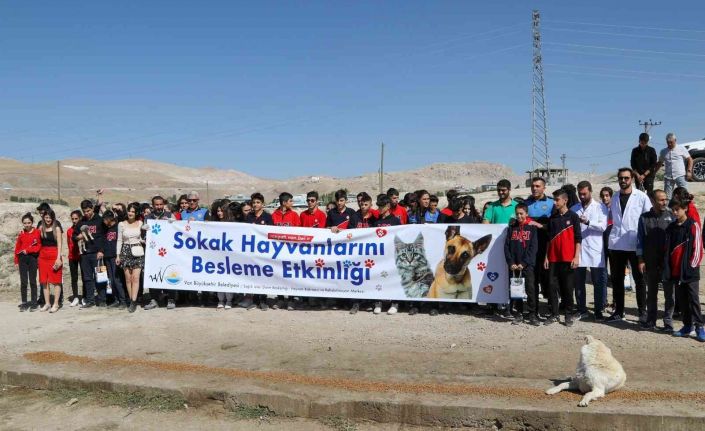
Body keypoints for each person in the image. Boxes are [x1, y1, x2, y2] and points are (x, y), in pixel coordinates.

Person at [606, 168, 652, 324]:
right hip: (617, 244)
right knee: (617, 279)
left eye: (626, 178)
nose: (623, 181)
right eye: (621, 178)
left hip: (635, 243)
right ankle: (619, 311)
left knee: (640, 280)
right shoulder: (614, 197)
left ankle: (642, 312)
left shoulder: (641, 197)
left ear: (632, 178)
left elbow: (648, 219)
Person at [665, 197, 705, 342]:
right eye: (673, 210)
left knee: (693, 299)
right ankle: (687, 326)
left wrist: (691, 267)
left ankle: (699, 327)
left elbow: (698, 248)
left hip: (689, 272)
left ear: (685, 208)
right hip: (676, 271)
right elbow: (668, 249)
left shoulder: (693, 225)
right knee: (681, 300)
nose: (675, 212)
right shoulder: (671, 228)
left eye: (677, 209)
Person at [636, 190, 675, 331]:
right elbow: (640, 240)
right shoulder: (644, 218)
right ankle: (651, 321)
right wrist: (641, 260)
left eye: (666, 199)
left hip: (667, 262)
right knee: (651, 293)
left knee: (669, 294)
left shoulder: (672, 216)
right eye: (661, 200)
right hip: (650, 261)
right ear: (653, 201)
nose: (665, 202)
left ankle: (668, 322)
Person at [571, 181, 608, 321]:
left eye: (584, 194)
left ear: (590, 192)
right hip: (578, 250)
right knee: (578, 281)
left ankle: (598, 310)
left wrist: (588, 223)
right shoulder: (574, 208)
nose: (582, 196)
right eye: (580, 194)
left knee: (598, 282)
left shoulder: (600, 207)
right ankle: (581, 309)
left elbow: (603, 226)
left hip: (595, 249)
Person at [543, 189, 581, 327]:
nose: (555, 202)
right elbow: (548, 239)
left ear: (565, 200)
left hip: (568, 259)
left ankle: (568, 315)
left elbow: (578, 238)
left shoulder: (573, 216)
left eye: (557, 199)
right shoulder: (552, 218)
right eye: (554, 200)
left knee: (568, 288)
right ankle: (554, 314)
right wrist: (546, 257)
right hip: (553, 259)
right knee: (552, 287)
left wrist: (576, 257)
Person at [504, 203, 539, 326]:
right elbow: (507, 246)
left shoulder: (532, 228)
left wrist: (524, 263)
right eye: (517, 214)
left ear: (526, 214)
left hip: (527, 265)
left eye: (521, 213)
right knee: (517, 290)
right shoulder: (512, 228)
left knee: (530, 289)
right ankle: (519, 313)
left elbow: (534, 247)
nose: (519, 216)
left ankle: (532, 314)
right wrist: (511, 262)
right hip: (515, 266)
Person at [142, 195, 177, 310]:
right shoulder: (148, 217)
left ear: (164, 204)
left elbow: (178, 231)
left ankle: (171, 299)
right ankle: (154, 299)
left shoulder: (169, 215)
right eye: (156, 205)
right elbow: (144, 235)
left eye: (161, 204)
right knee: (153, 273)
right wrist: (144, 230)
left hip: (168, 251)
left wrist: (174, 223)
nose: (159, 206)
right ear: (153, 205)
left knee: (169, 272)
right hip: (153, 252)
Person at [525, 177, 554, 310]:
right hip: (530, 246)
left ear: (544, 188)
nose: (534, 188)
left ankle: (552, 306)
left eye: (537, 186)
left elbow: (554, 225)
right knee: (532, 277)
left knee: (548, 277)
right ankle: (533, 306)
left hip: (546, 245)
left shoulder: (551, 203)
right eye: (533, 186)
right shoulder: (526, 203)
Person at [73, 199, 105, 309]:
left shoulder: (99, 220)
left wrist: (101, 250)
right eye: (84, 211)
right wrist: (78, 237)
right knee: (87, 278)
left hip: (97, 253)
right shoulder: (81, 222)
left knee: (100, 276)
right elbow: (73, 236)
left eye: (88, 211)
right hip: (85, 254)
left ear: (92, 209)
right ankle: (90, 300)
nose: (86, 213)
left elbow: (104, 236)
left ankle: (102, 299)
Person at [116, 203, 145, 313]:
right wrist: (118, 255)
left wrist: (145, 239)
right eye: (129, 211)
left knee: (136, 278)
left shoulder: (140, 223)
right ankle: (131, 299)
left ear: (136, 213)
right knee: (128, 278)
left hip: (138, 251)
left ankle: (134, 301)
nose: (130, 213)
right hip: (125, 251)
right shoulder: (121, 224)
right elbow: (119, 240)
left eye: (133, 211)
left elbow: (141, 238)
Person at [38, 209, 63, 313]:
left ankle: (56, 304)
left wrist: (58, 258)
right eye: (46, 217)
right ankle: (47, 303)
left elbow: (60, 244)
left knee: (56, 281)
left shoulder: (57, 228)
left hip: (54, 255)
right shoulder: (41, 228)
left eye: (50, 217)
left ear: (53, 218)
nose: (48, 219)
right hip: (43, 256)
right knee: (44, 281)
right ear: (43, 217)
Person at [14, 213, 40, 312]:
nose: (27, 225)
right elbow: (17, 248)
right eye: (25, 223)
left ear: (32, 223)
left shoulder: (37, 232)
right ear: (23, 223)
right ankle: (24, 303)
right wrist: (16, 261)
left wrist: (28, 250)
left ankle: (34, 303)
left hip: (33, 259)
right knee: (23, 282)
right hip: (22, 259)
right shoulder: (21, 234)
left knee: (33, 281)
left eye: (29, 223)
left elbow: (39, 246)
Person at [655, 132, 693, 199]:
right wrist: (654, 172)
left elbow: (690, 159)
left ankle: (686, 205)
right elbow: (660, 163)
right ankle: (669, 206)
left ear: (675, 140)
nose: (669, 144)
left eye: (671, 142)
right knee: (667, 196)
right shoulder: (663, 151)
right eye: (668, 142)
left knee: (684, 195)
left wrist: (689, 171)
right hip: (668, 176)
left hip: (680, 175)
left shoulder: (681, 148)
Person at [101, 210, 127, 308]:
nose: (104, 221)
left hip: (115, 257)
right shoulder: (106, 229)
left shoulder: (118, 227)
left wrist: (119, 256)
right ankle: (116, 299)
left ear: (109, 219)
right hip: (107, 257)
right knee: (110, 280)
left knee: (117, 279)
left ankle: (123, 301)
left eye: (105, 219)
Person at [66, 210, 83, 306]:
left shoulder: (83, 229)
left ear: (80, 218)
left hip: (83, 256)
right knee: (74, 277)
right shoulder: (69, 230)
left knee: (84, 276)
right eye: (72, 219)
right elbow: (69, 243)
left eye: (76, 218)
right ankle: (75, 297)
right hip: (72, 256)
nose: (74, 220)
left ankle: (85, 297)